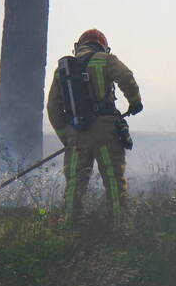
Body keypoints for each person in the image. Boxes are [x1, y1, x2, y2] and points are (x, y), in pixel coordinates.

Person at [46, 29, 142, 224]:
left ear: (78, 46)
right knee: (113, 183)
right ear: (104, 47)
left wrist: (67, 136)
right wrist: (134, 101)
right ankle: (119, 227)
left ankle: (70, 229)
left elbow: (52, 108)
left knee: (75, 185)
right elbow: (126, 77)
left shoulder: (62, 70)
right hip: (105, 132)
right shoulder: (105, 60)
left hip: (76, 136)